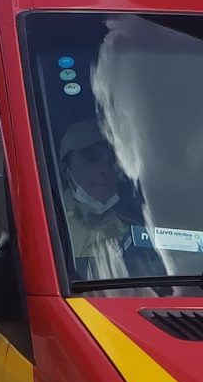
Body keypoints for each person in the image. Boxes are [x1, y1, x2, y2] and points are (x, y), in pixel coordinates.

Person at [57, 118, 156, 281]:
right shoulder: (47, 226)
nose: (105, 169)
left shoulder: (138, 232)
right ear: (65, 169)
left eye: (112, 161)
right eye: (92, 159)